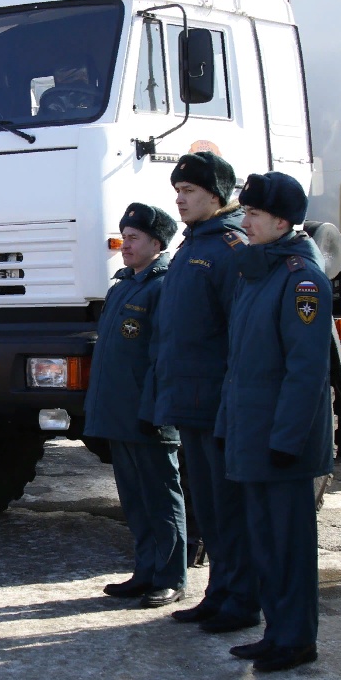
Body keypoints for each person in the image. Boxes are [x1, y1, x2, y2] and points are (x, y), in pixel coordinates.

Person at [218, 171, 333, 673]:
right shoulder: (257, 273)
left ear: (282, 222)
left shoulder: (300, 279)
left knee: (288, 545)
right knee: (264, 541)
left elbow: (305, 370)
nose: (246, 221)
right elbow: (242, 364)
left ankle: (296, 638)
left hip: (281, 443)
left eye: (255, 214)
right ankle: (277, 631)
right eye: (245, 212)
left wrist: (286, 439)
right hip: (254, 434)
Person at [147, 151, 264, 636]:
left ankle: (242, 600)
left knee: (229, 506)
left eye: (189, 191)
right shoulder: (194, 244)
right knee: (210, 507)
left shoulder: (229, 248)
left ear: (215, 195)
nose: (179, 200)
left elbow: (241, 331)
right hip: (189, 401)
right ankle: (218, 593)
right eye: (177, 191)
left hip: (216, 401)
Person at [87, 203, 187, 608]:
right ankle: (145, 571)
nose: (124, 245)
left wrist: (154, 412)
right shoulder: (123, 285)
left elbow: (164, 358)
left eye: (133, 238)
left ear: (157, 244)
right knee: (134, 499)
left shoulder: (164, 288)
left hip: (148, 416)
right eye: (124, 236)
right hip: (120, 414)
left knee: (162, 497)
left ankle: (171, 577)